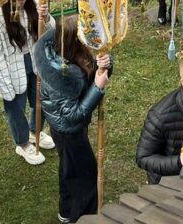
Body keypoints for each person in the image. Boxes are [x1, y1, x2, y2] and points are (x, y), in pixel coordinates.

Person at [33, 16, 111, 223]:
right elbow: (73, 115)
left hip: (67, 129)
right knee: (84, 174)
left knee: (69, 169)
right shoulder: (62, 75)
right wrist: (97, 88)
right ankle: (82, 217)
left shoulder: (68, 53)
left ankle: (66, 210)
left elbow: (91, 69)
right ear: (76, 42)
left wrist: (105, 64)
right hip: (68, 132)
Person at [0, 0, 56, 166]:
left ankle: (35, 130)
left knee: (40, 97)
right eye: (14, 0)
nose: (19, 3)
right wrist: (4, 83)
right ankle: (22, 143)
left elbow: (50, 31)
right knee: (15, 106)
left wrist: (45, 17)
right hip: (11, 65)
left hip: (34, 59)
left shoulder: (34, 2)